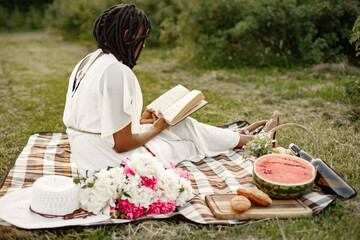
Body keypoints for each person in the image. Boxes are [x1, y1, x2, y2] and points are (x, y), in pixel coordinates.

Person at [63, 4, 279, 177]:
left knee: (182, 127)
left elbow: (96, 120)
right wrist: (157, 128)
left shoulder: (88, 61)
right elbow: (122, 144)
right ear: (127, 35)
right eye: (141, 39)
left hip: (86, 155)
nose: (143, 46)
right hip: (107, 162)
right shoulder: (116, 71)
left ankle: (239, 137)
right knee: (186, 145)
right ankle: (249, 141)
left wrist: (141, 121)